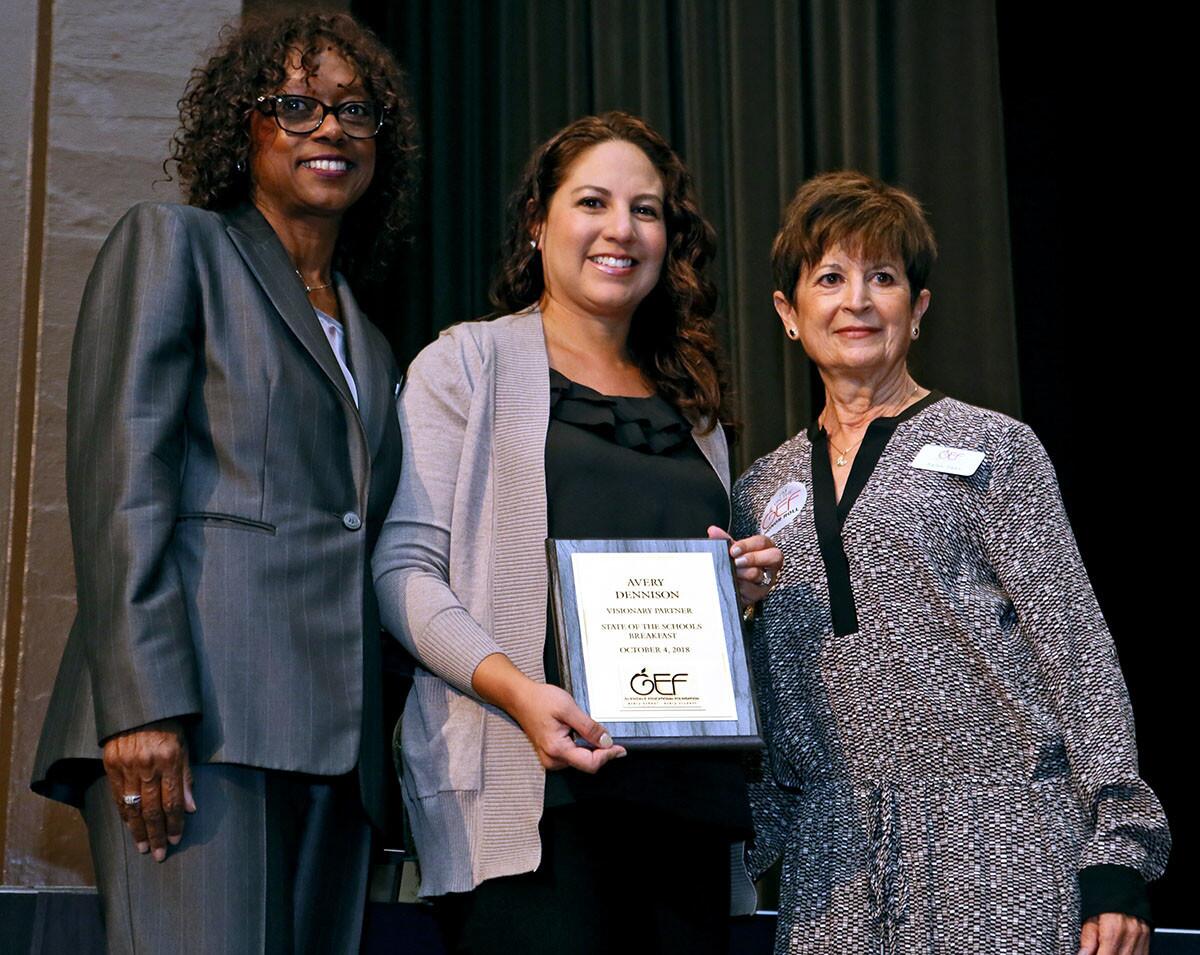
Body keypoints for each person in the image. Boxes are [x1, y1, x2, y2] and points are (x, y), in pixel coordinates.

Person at [31, 12, 415, 953]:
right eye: (296, 106)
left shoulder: (369, 336)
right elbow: (122, 480)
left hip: (334, 750)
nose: (329, 128)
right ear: (241, 129)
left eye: (353, 111)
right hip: (200, 726)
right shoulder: (176, 245)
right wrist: (143, 704)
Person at [372, 111, 781, 955]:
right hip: (534, 806)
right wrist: (521, 693)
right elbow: (404, 573)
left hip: (685, 807)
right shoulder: (467, 364)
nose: (620, 229)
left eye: (647, 209)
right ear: (538, 221)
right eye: (592, 201)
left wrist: (730, 591)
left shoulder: (693, 404)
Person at [732, 171, 1170, 955]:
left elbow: (1076, 648)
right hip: (827, 860)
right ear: (788, 314)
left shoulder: (996, 447)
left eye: (883, 277)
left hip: (1000, 835)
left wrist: (1117, 852)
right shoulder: (759, 487)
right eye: (829, 278)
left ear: (918, 308)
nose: (857, 300)